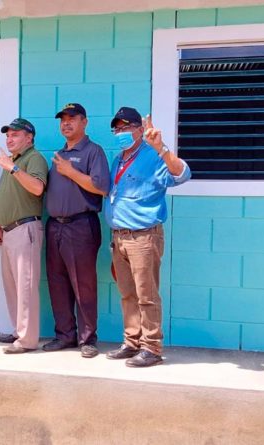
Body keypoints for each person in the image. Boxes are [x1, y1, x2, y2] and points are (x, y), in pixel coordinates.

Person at [104, 107, 191, 367]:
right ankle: (132, 342)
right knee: (127, 294)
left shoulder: (153, 155)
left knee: (146, 294)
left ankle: (152, 347)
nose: (121, 132)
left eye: (126, 127)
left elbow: (182, 174)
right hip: (119, 237)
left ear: (140, 130)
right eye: (117, 129)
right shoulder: (118, 159)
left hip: (143, 237)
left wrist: (161, 147)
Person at [42, 103, 110, 358]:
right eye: (63, 120)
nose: (66, 123)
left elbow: (102, 187)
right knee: (57, 283)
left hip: (81, 226)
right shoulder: (60, 154)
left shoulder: (93, 152)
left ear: (85, 122)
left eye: (72, 119)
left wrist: (71, 172)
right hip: (55, 227)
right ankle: (65, 335)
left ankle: (87, 339)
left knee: (83, 285)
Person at [0, 118, 48, 354]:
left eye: (15, 134)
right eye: (8, 135)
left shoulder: (33, 158)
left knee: (25, 286)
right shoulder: (13, 161)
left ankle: (27, 340)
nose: (9, 138)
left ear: (29, 137)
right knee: (12, 286)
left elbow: (37, 188)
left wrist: (12, 168)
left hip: (26, 229)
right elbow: (9, 196)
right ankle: (18, 332)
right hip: (9, 231)